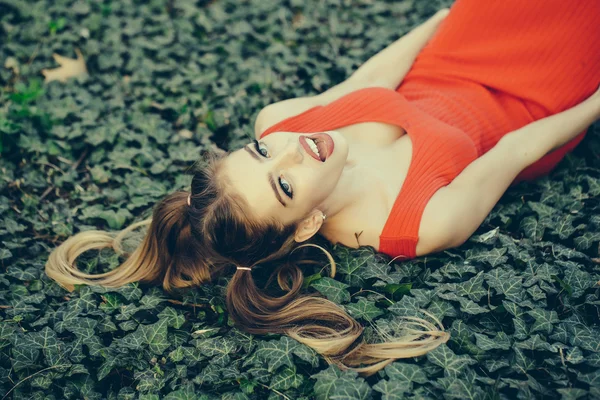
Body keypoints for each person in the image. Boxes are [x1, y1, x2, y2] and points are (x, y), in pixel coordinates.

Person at [46, 0, 600, 377]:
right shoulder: (415, 223)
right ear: (308, 223)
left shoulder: (280, 122)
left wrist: (449, 15)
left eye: (260, 153)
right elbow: (515, 151)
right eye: (284, 183)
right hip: (534, 98)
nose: (294, 148)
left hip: (461, 52)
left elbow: (370, 79)